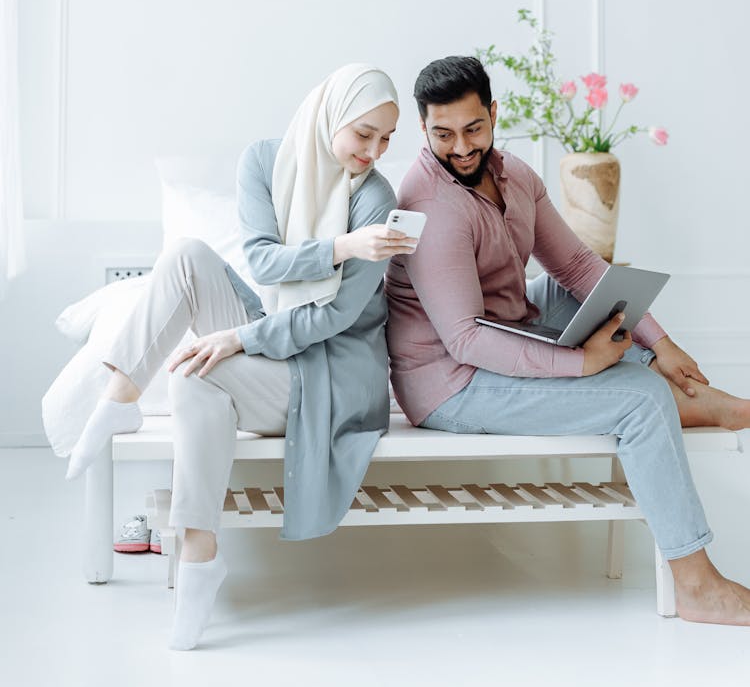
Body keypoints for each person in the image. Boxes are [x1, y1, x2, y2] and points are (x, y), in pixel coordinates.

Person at [385, 55, 750, 626]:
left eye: (473, 128)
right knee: (636, 397)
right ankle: (696, 584)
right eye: (442, 133)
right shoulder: (430, 206)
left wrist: (663, 341)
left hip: (507, 325)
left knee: (569, 290)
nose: (460, 147)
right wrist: (581, 364)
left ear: (493, 114)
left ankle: (687, 393)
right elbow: (464, 340)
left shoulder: (517, 175)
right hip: (452, 382)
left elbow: (578, 265)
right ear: (422, 129)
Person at [66, 63, 415, 649]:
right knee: (185, 255)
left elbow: (334, 316)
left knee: (194, 376)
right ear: (330, 115)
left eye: (386, 140)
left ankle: (199, 555)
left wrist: (239, 339)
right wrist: (340, 246)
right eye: (363, 134)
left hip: (330, 368)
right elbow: (262, 263)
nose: (373, 152)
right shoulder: (264, 161)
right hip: (274, 326)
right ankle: (120, 395)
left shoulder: (376, 199)